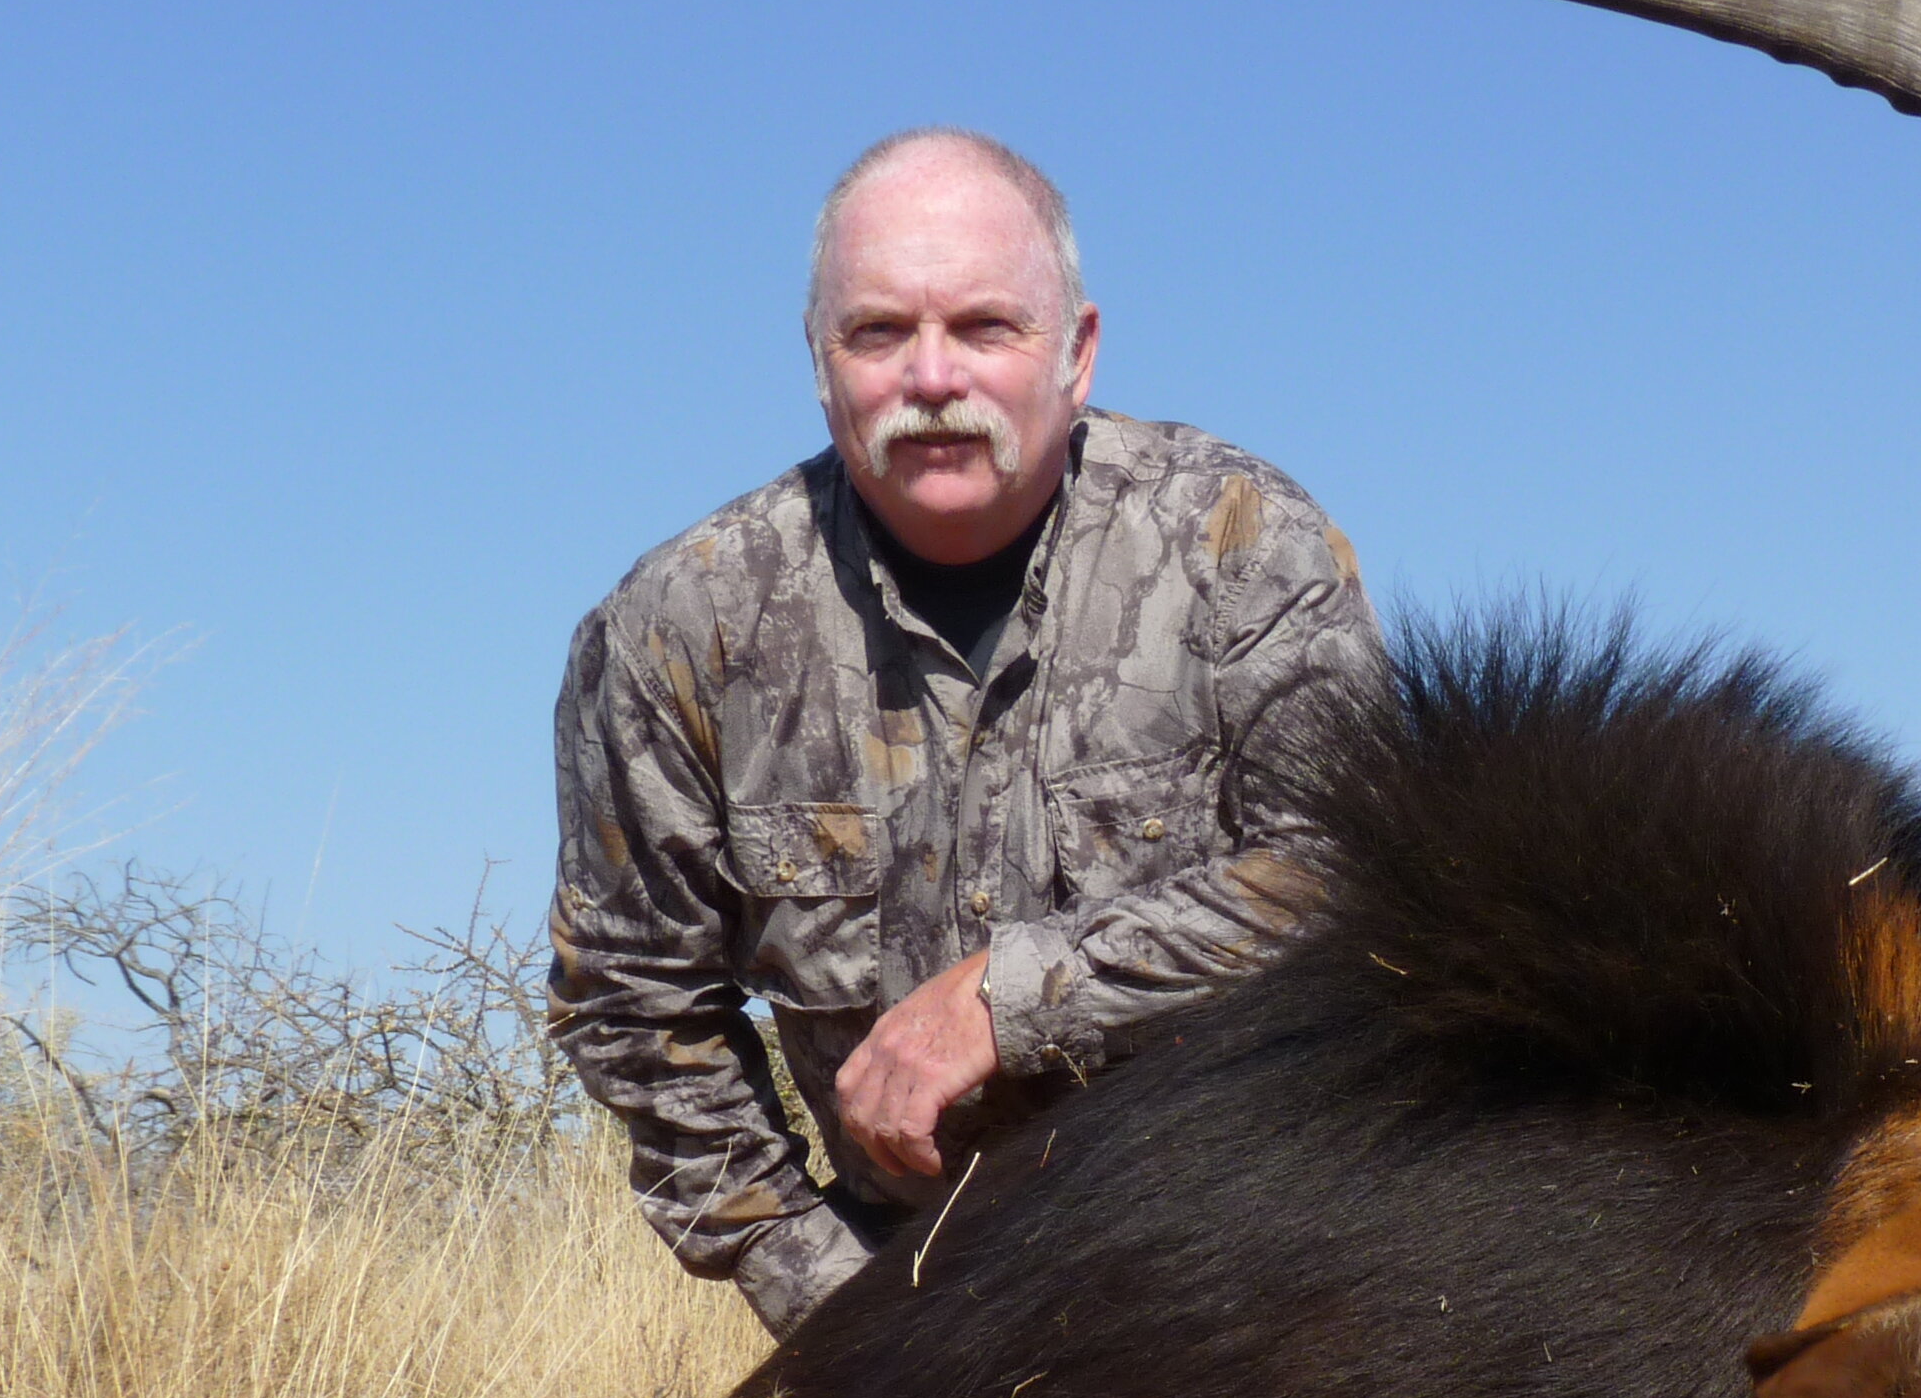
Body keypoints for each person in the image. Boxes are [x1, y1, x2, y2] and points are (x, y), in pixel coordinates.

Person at [551, 129, 1380, 1334]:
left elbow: (1350, 875)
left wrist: (1008, 994)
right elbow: (630, 1003)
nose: (932, 377)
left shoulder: (1241, 545)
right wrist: (840, 1306)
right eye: (878, 332)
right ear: (819, 362)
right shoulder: (682, 623)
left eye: (988, 327)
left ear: (1077, 352)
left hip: (1244, 1271)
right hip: (903, 1293)